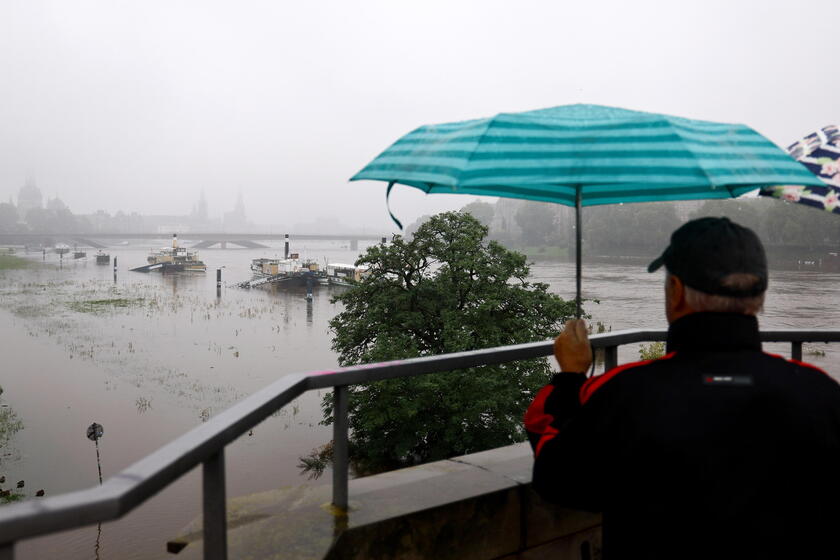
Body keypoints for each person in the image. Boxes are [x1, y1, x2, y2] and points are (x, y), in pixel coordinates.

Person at [524, 217, 840, 559]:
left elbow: (558, 477)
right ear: (759, 296)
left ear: (675, 291)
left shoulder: (626, 393)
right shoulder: (819, 392)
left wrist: (571, 378)